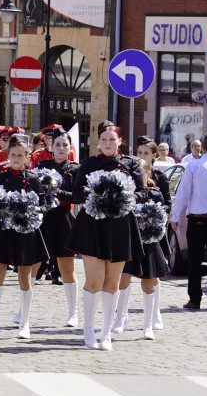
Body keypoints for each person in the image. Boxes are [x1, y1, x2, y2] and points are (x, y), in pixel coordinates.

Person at [59, 121, 144, 350]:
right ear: (99, 142)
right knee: (94, 281)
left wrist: (125, 196)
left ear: (120, 141)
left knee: (112, 282)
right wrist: (91, 194)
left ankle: (106, 333)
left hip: (120, 226)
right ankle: (89, 330)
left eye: (112, 139)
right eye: (104, 139)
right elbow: (76, 195)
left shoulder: (131, 164)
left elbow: (143, 192)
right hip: (93, 226)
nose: (108, 143)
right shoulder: (88, 164)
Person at [0, 135, 49, 339]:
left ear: (27, 157)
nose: (17, 158)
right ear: (8, 156)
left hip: (25, 233)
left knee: (25, 277)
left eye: (21, 155)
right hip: (3, 233)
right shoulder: (1, 177)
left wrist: (32, 212)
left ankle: (24, 323)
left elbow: (44, 204)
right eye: (13, 155)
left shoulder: (33, 179)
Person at [170, 131, 207, 311]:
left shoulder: (194, 166)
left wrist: (175, 217)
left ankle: (195, 299)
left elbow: (183, 194)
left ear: (202, 147)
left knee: (195, 260)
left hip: (197, 219)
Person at [113, 158, 168, 340]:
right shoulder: (127, 195)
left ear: (148, 174)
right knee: (123, 279)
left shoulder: (155, 194)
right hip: (130, 242)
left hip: (150, 243)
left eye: (141, 174)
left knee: (148, 282)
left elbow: (162, 219)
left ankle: (148, 324)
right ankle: (121, 318)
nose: (137, 178)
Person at [36, 131, 81, 326]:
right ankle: (24, 311)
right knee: (32, 265)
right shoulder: (42, 166)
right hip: (43, 219)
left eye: (65, 145)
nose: (61, 148)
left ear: (70, 148)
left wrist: (58, 192)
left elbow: (79, 196)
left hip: (63, 219)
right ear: (51, 147)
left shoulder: (76, 169)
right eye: (58, 145)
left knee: (66, 268)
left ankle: (73, 312)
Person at [134, 136, 171, 330]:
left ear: (154, 155)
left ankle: (154, 311)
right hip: (134, 231)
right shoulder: (131, 175)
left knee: (152, 273)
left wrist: (154, 216)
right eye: (139, 152)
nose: (142, 156)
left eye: (146, 153)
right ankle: (121, 316)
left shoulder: (159, 176)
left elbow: (166, 203)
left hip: (152, 230)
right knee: (126, 272)